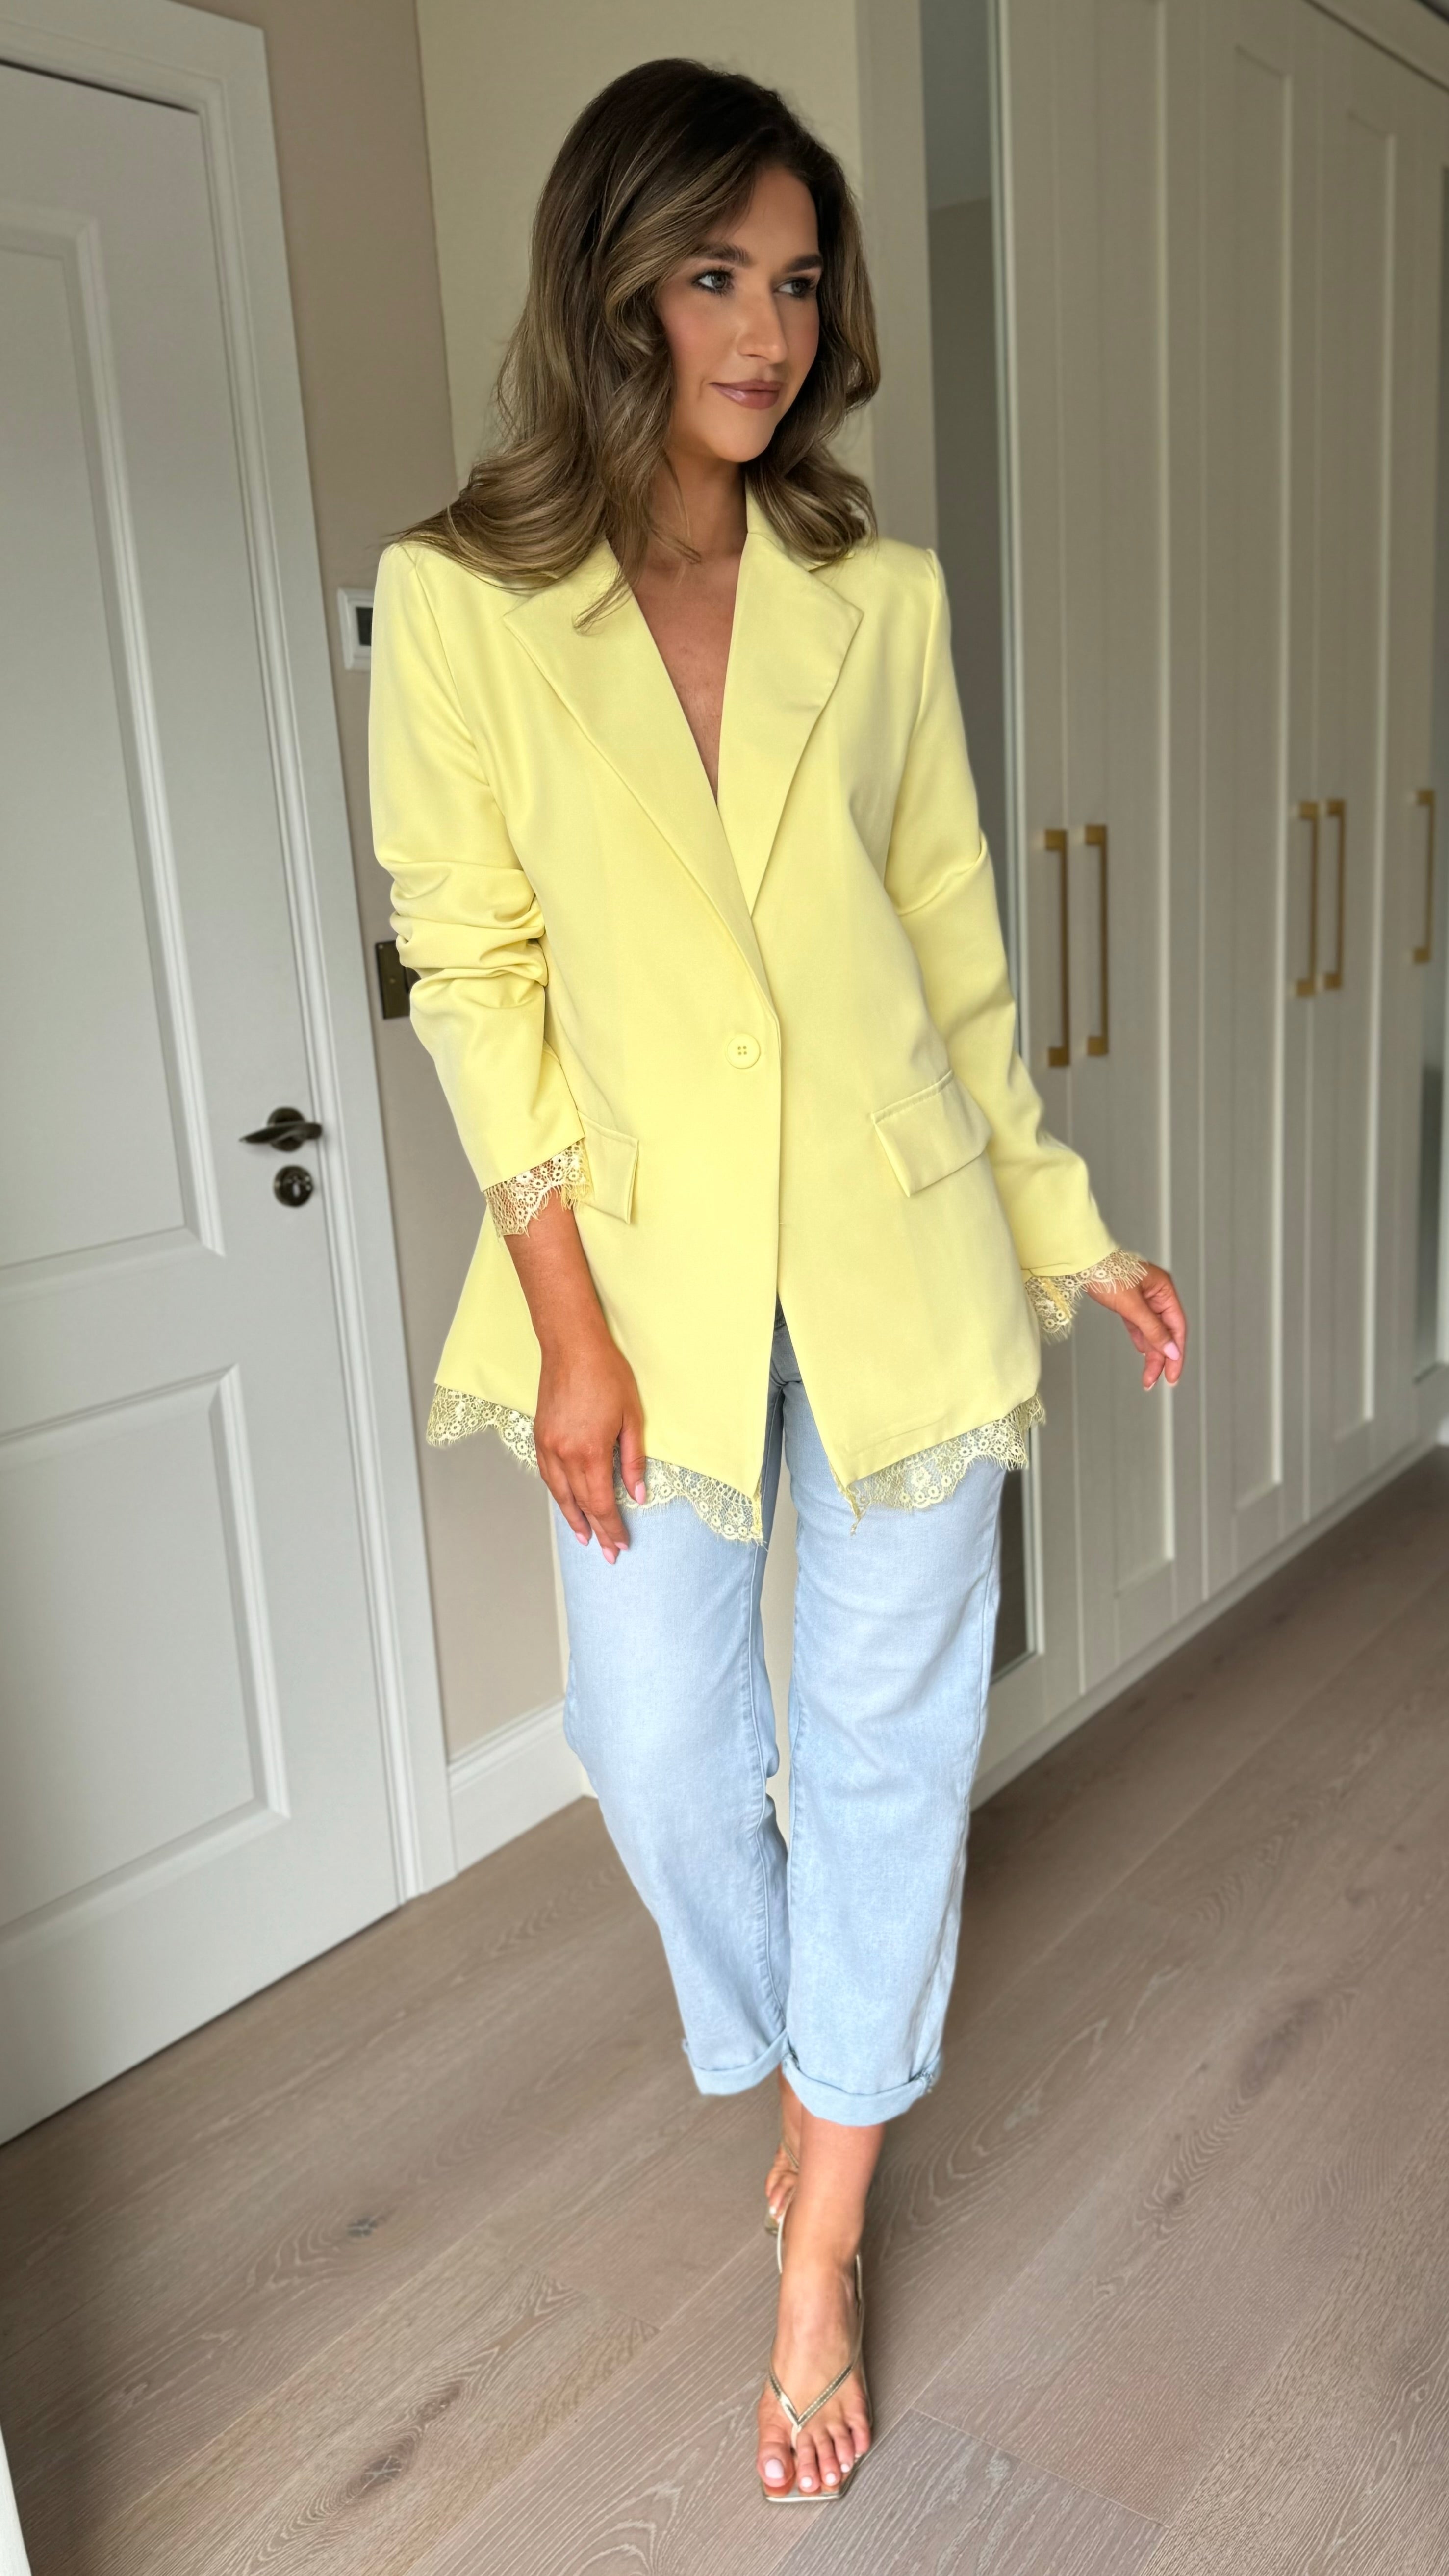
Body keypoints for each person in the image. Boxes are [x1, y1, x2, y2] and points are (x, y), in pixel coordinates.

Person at [369, 55, 1186, 2508]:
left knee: (888, 1757)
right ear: (611, 282)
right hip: (634, 1298)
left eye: (798, 281)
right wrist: (572, 1325)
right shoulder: (464, 604)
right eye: (715, 272)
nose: (764, 327)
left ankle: (818, 2237)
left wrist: (1065, 1223)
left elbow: (951, 948)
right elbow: (472, 970)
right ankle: (817, 2044)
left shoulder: (876, 601)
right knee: (651, 1745)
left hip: (905, 1258)